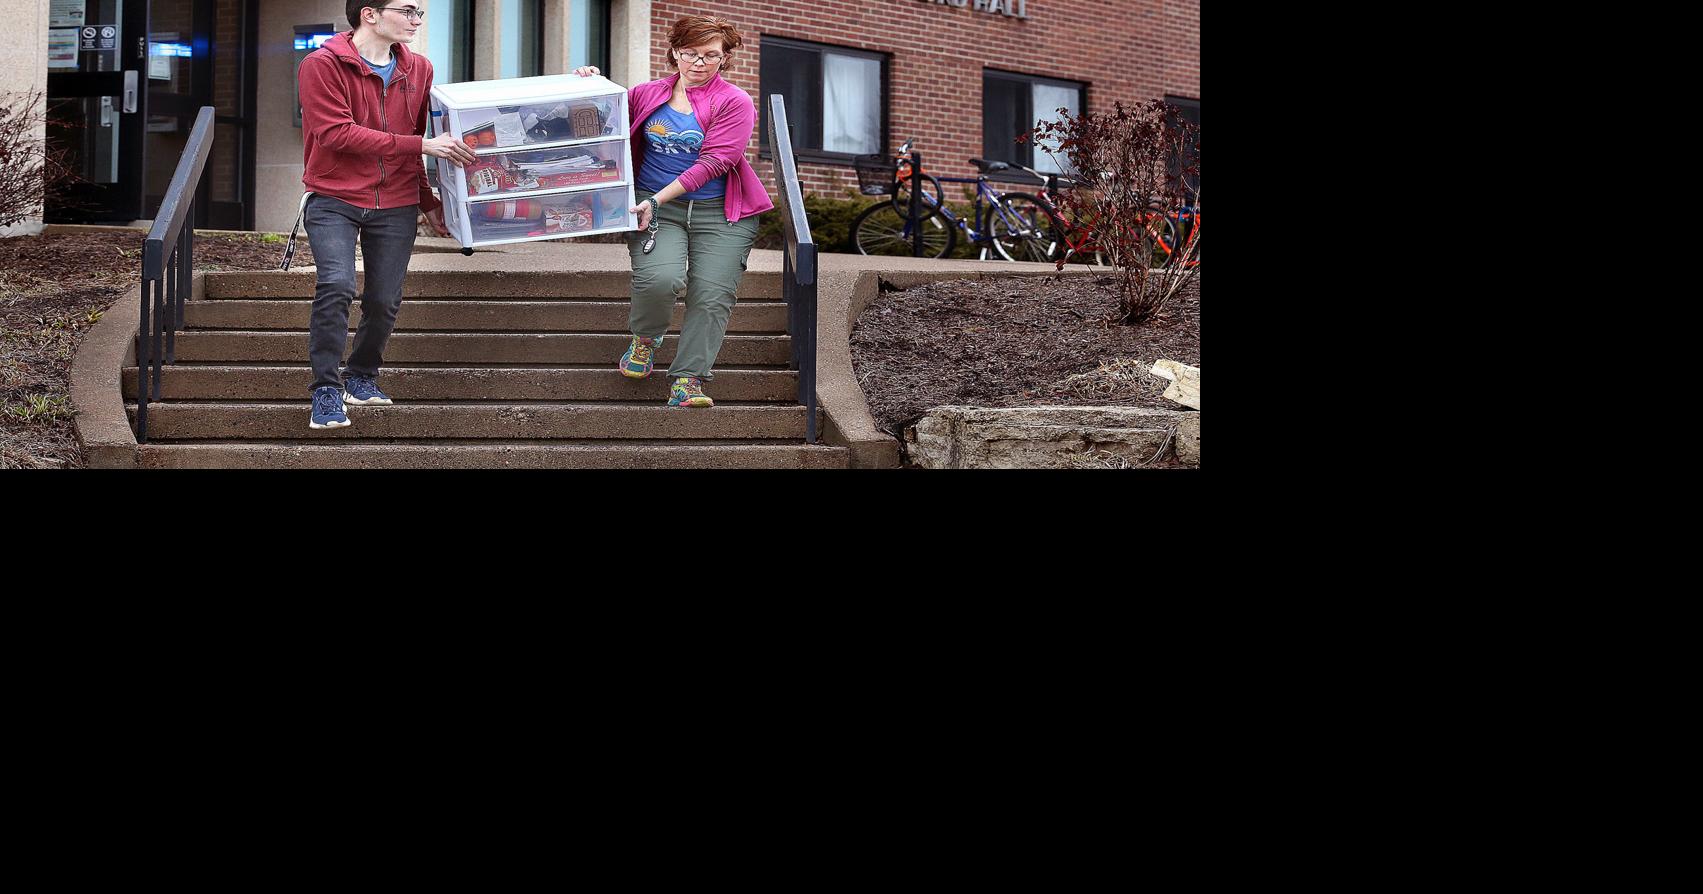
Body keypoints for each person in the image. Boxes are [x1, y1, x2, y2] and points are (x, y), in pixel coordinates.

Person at [575, 14, 774, 408]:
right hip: (654, 208)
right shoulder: (645, 94)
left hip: (721, 212)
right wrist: (589, 84)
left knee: (711, 294)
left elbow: (716, 161)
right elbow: (600, 123)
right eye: (690, 53)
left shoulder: (734, 101)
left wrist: (656, 199)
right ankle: (646, 339)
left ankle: (688, 380)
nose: (699, 63)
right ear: (674, 53)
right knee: (660, 279)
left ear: (725, 58)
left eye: (711, 55)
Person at [296, 2, 475, 429]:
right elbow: (335, 133)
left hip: (395, 202)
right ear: (370, 13)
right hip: (333, 197)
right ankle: (325, 390)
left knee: (383, 299)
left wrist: (429, 203)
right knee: (337, 284)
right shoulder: (321, 65)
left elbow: (415, 137)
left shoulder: (420, 69)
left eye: (421, 13)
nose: (417, 19)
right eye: (409, 9)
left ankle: (361, 376)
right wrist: (422, 146)